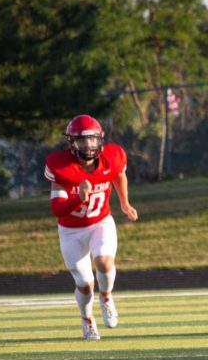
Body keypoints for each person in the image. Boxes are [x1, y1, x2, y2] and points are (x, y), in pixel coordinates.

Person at [45, 114, 138, 341]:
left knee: (104, 262)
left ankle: (106, 296)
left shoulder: (112, 156)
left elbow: (119, 174)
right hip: (71, 231)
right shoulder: (61, 166)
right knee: (85, 285)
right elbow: (57, 209)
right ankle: (87, 320)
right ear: (71, 143)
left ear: (100, 140)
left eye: (92, 140)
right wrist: (80, 197)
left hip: (100, 222)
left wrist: (124, 203)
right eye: (82, 140)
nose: (88, 145)